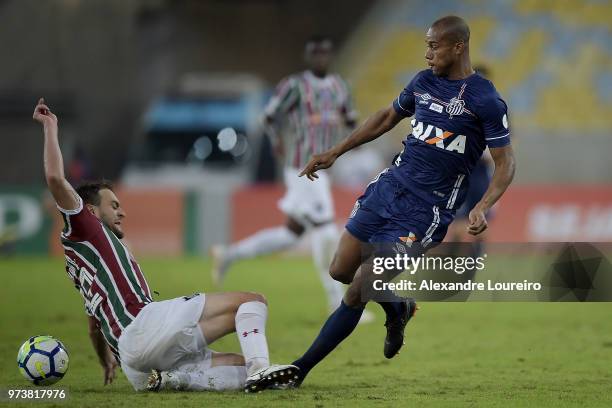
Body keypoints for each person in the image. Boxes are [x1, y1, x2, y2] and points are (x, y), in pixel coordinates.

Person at [291, 15, 516, 385]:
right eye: (426, 45)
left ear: (458, 47)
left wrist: (480, 206)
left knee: (359, 286)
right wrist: (336, 151)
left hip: (426, 211)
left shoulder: (486, 99)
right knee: (340, 271)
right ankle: (399, 308)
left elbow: (506, 163)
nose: (427, 54)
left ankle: (299, 369)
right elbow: (386, 117)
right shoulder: (423, 82)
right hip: (389, 188)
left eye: (434, 46)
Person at [32, 98, 298, 393]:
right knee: (252, 301)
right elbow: (56, 178)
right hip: (144, 327)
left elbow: (94, 324)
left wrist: (105, 360)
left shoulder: (81, 260)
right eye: (114, 205)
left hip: (134, 366)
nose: (122, 212)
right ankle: (261, 368)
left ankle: (177, 379)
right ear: (91, 212)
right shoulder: (88, 227)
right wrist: (51, 126)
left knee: (239, 365)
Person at [211, 35, 373, 321]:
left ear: (330, 55)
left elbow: (351, 120)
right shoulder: (294, 85)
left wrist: (352, 143)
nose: (320, 58)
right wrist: (277, 142)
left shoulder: (339, 87)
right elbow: (269, 116)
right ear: (308, 56)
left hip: (322, 168)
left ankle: (228, 254)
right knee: (325, 230)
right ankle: (339, 303)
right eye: (315, 53)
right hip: (301, 167)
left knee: (290, 234)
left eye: (325, 53)